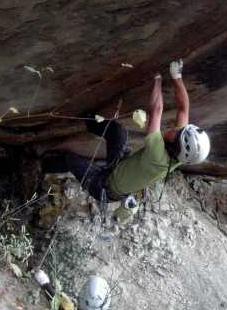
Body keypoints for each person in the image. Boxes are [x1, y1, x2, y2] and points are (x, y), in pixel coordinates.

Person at [40, 59, 210, 205]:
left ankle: (40, 166)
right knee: (118, 132)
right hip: (118, 167)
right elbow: (183, 109)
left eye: (177, 133)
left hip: (103, 187)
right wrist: (177, 77)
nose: (175, 129)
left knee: (70, 160)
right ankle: (85, 118)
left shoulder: (157, 155)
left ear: (175, 147)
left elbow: (156, 110)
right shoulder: (180, 152)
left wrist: (157, 78)